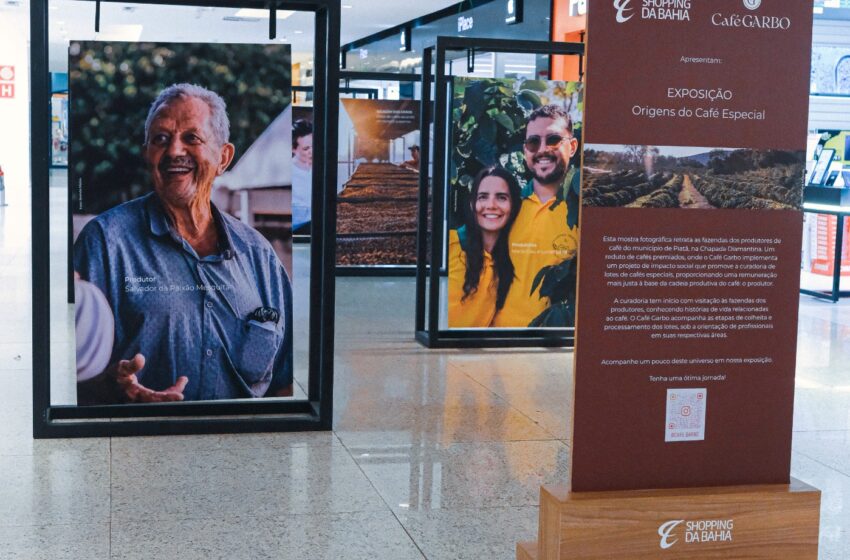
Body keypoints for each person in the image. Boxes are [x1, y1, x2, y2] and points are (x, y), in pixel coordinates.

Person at [74, 83, 293, 404]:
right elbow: (69, 363)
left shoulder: (258, 255)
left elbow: (286, 380)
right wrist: (113, 385)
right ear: (147, 153)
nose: (174, 150)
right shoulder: (105, 242)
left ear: (223, 157)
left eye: (192, 138)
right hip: (139, 444)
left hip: (240, 445)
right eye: (161, 139)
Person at [491, 104, 580, 328]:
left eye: (553, 140)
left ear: (572, 146)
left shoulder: (583, 209)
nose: (542, 150)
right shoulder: (506, 207)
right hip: (501, 335)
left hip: (558, 339)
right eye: (533, 142)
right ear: (525, 151)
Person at [448, 166, 522, 328]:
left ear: (514, 206)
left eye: (501, 197)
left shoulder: (509, 262)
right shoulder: (451, 245)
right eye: (483, 197)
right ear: (471, 204)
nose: (491, 205)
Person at [291, 118, 313, 234]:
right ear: (293, 149)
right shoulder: (290, 173)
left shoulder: (320, 167)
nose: (312, 151)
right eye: (306, 149)